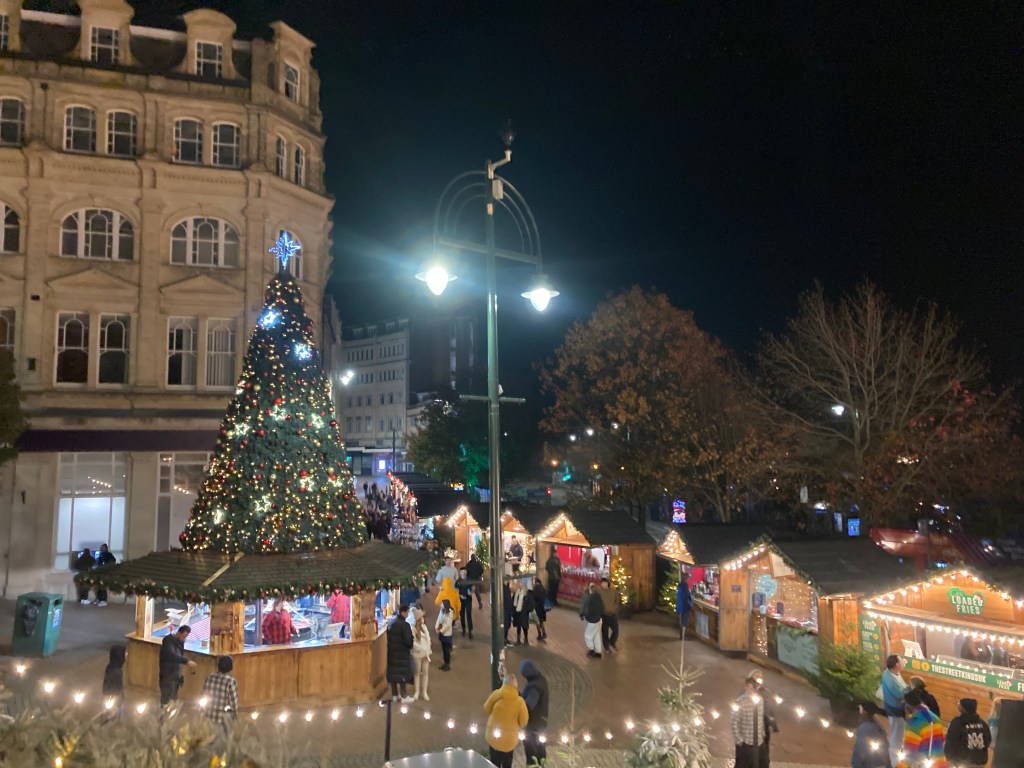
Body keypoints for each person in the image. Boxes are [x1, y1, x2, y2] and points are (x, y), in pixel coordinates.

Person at [483, 673, 529, 768]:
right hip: (509, 740)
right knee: (507, 763)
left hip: (494, 737)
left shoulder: (496, 694)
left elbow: (486, 709)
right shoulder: (520, 701)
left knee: (494, 763)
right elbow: (523, 722)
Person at [900, 688, 946, 768]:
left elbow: (910, 749)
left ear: (909, 705)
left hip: (921, 763)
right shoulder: (935, 718)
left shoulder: (914, 722)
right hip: (939, 762)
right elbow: (942, 739)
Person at [730, 675, 765, 768]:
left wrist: (762, 733)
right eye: (749, 688)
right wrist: (739, 740)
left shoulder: (760, 701)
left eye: (752, 688)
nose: (751, 690)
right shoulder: (740, 702)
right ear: (745, 687)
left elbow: (760, 718)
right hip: (745, 743)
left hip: (758, 741)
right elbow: (734, 722)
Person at [944, 698, 990, 767]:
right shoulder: (983, 723)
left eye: (959, 704)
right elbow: (988, 740)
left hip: (961, 761)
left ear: (963, 708)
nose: (958, 705)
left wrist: (949, 756)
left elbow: (951, 739)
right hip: (979, 761)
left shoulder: (957, 722)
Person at [519, 660, 549, 766]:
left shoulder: (534, 687)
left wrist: (519, 700)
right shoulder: (541, 680)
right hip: (541, 719)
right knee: (541, 747)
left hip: (533, 723)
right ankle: (542, 765)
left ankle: (532, 765)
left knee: (531, 749)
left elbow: (529, 705)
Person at [882, 654, 909, 768]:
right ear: (896, 665)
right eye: (901, 661)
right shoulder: (890, 679)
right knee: (896, 737)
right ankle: (895, 763)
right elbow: (900, 693)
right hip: (895, 711)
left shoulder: (894, 673)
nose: (903, 662)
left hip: (897, 710)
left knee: (899, 735)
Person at [159, 625, 196, 706]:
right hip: (167, 675)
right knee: (166, 698)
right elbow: (171, 655)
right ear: (178, 633)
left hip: (175, 676)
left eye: (186, 637)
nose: (184, 639)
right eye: (183, 636)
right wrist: (186, 661)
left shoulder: (180, 642)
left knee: (173, 699)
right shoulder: (168, 641)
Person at [748, 669, 778, 768]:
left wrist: (774, 725)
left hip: (764, 726)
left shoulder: (766, 692)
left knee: (764, 752)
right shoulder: (747, 692)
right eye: (756, 676)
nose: (759, 678)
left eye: (760, 676)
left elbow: (770, 708)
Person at [385, 603, 415, 703]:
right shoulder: (405, 625)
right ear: (403, 612)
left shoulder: (391, 622)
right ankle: (404, 696)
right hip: (402, 653)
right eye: (407, 612)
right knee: (402, 674)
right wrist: (411, 642)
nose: (408, 614)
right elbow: (408, 641)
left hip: (392, 652)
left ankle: (395, 695)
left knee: (394, 673)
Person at [202, 655, 239, 730]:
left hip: (208, 716)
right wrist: (235, 716)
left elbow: (203, 695)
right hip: (223, 719)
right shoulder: (231, 681)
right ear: (231, 667)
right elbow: (233, 702)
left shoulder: (209, 677)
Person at [851, 701, 890, 768]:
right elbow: (886, 749)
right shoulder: (880, 728)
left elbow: (860, 752)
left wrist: (856, 765)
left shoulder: (863, 728)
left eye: (861, 709)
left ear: (864, 712)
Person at [411, 608, 432, 701]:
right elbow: (412, 642)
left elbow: (428, 638)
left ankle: (424, 692)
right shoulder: (413, 629)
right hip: (418, 654)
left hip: (426, 654)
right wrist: (420, 648)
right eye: (422, 617)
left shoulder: (424, 627)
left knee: (425, 673)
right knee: (417, 673)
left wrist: (428, 647)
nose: (424, 618)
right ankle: (417, 692)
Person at [579, 582, 604, 658]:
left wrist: (584, 614)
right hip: (599, 619)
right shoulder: (599, 597)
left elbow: (590, 610)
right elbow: (602, 608)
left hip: (593, 620)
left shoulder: (592, 597)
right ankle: (598, 652)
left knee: (588, 635)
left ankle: (591, 649)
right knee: (596, 635)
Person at [102, 644, 127, 720]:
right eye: (124, 653)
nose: (126, 655)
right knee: (113, 716)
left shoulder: (112, 667)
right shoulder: (115, 671)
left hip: (111, 698)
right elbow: (114, 688)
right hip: (113, 700)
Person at [597, 577, 620, 652]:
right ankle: (606, 646)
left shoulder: (613, 591)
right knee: (605, 632)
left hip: (612, 613)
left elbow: (617, 600)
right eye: (602, 583)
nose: (604, 584)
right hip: (604, 614)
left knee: (615, 630)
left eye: (605, 583)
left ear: (608, 583)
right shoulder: (599, 592)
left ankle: (612, 642)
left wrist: (614, 608)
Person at [512, 580, 535, 645]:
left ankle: (526, 639)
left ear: (524, 584)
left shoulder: (527, 593)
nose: (519, 585)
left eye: (520, 583)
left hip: (524, 612)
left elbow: (531, 603)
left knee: (524, 626)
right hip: (517, 612)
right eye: (519, 583)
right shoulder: (517, 592)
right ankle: (518, 640)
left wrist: (527, 609)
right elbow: (513, 601)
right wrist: (513, 610)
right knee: (518, 626)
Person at [436, 599, 454, 671]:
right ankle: (445, 663)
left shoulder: (450, 612)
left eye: (442, 604)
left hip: (447, 634)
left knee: (447, 650)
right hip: (442, 634)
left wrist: (441, 630)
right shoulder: (442, 611)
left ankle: (447, 664)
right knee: (443, 649)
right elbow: (438, 619)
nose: (441, 605)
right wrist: (436, 627)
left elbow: (448, 624)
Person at [456, 569, 474, 639]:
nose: (463, 573)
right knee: (462, 615)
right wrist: (460, 595)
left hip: (468, 599)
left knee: (468, 614)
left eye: (464, 572)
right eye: (462, 572)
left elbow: (473, 588)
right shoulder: (458, 581)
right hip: (460, 600)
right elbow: (456, 590)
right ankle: (463, 629)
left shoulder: (469, 580)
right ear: (460, 573)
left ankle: (470, 631)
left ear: (466, 572)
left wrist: (471, 592)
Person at [677, 574, 693, 640]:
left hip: (681, 605)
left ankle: (682, 635)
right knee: (685, 621)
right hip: (684, 606)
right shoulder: (684, 585)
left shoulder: (680, 585)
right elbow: (686, 596)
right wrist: (690, 605)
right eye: (688, 578)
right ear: (686, 578)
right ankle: (684, 636)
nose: (689, 579)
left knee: (683, 620)